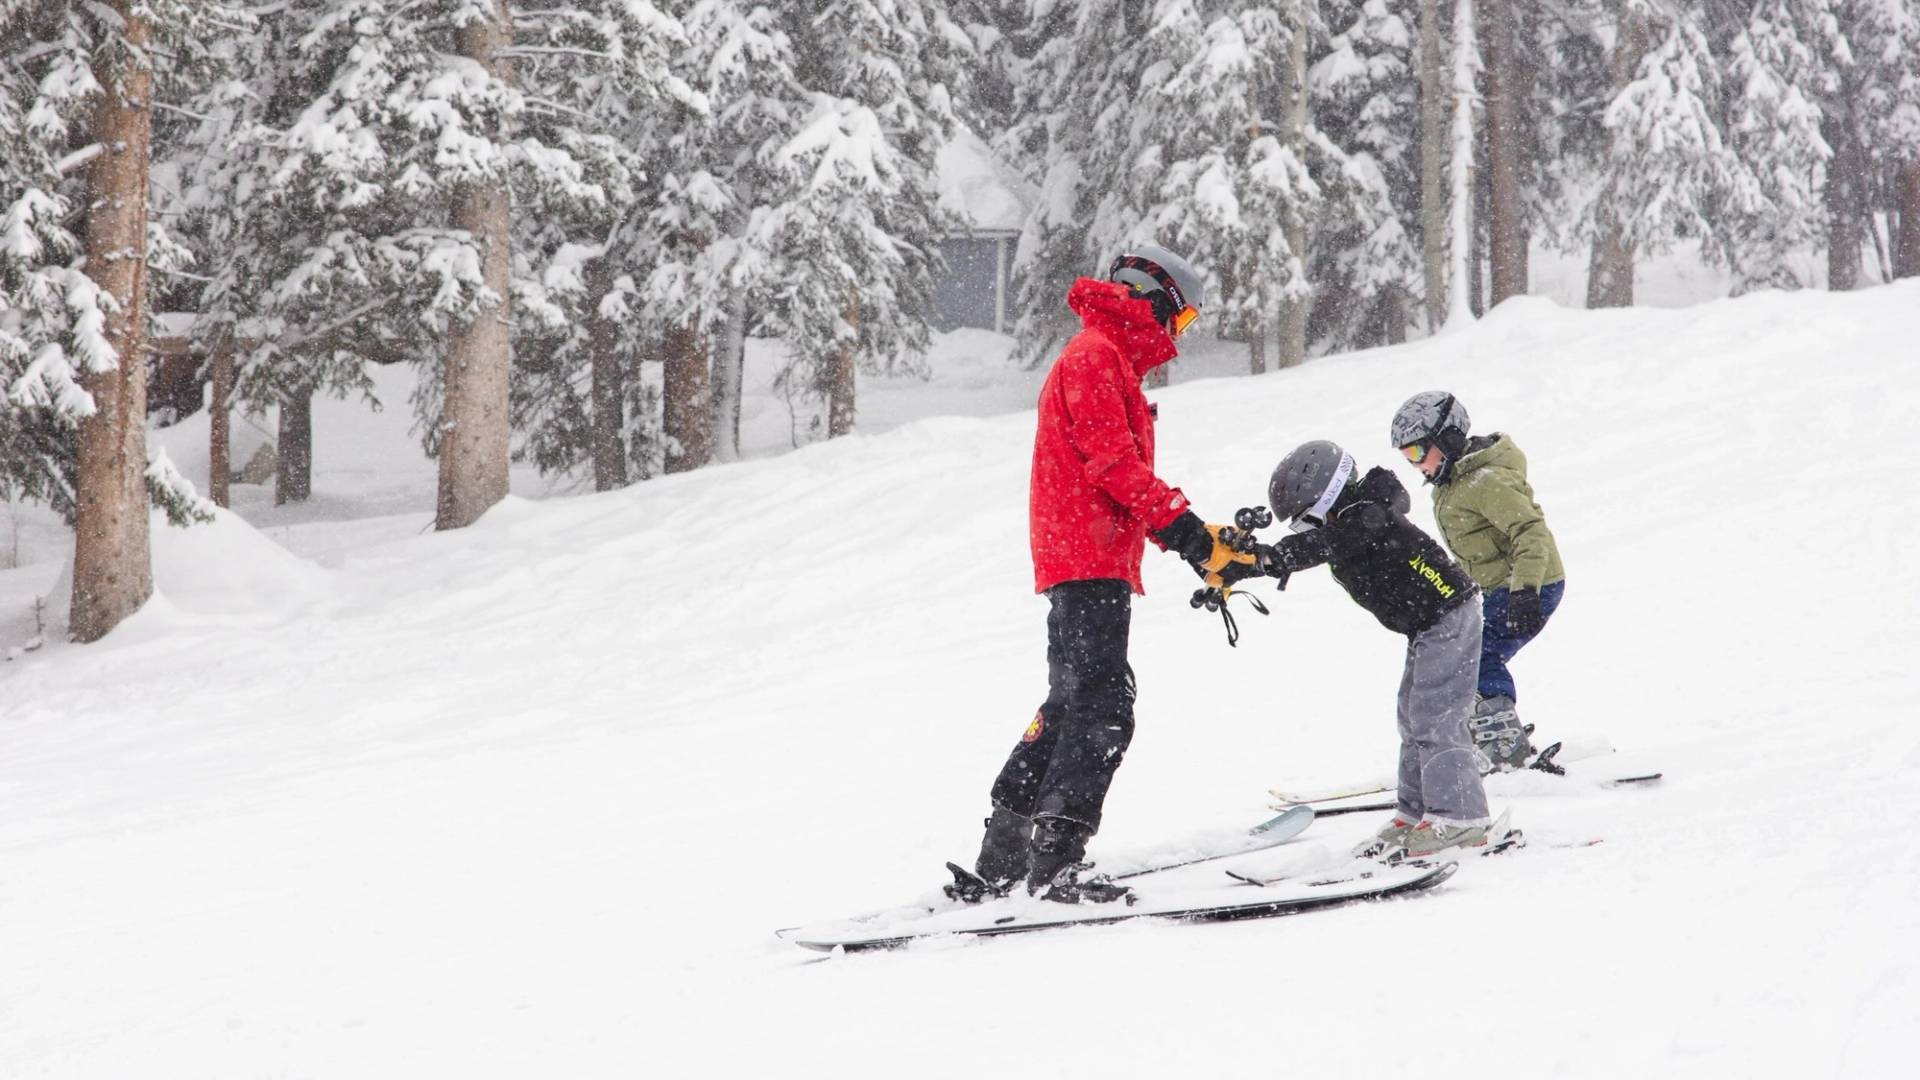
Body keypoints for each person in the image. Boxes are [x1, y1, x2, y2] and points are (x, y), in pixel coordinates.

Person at [945, 245, 1255, 905]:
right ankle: (1055, 861)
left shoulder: (1105, 360)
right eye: (1184, 316)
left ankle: (1003, 854)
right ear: (1154, 301)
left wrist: (1192, 537)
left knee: (1070, 703)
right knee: (1105, 707)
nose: (1180, 333)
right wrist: (1190, 533)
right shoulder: (1094, 359)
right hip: (1086, 557)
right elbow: (1112, 466)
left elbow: (1113, 470)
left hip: (1088, 556)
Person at [1248, 440, 1497, 859]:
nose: (1310, 534)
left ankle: (1460, 818)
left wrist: (1274, 558)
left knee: (1437, 716)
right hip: (1428, 624)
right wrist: (1255, 560)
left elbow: (1332, 542)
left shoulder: (1368, 514)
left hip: (1449, 614)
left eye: (1307, 524)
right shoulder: (1355, 518)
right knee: (1412, 714)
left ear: (1326, 497)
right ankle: (1416, 811)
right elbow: (1328, 541)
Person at [1389, 392, 1565, 771]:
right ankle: (1489, 732)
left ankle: (1504, 748)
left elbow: (1531, 532)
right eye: (1407, 457)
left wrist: (1526, 591)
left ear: (1449, 438)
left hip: (1529, 584)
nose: (1415, 465)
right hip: (1501, 588)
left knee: (1477, 658)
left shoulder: (1485, 481)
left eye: (1419, 452)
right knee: (1466, 657)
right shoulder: (1453, 481)